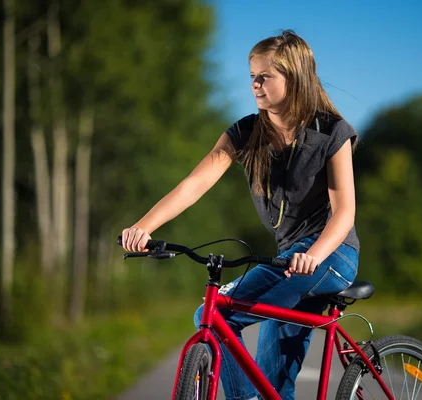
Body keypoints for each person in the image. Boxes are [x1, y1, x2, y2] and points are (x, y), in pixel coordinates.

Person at [121, 30, 360, 400]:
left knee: (245, 317)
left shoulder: (331, 131)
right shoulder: (246, 133)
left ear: (294, 78)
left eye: (265, 76)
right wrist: (143, 226)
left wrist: (313, 255)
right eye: (252, 77)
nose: (255, 85)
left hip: (332, 253)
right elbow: (194, 184)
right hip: (289, 261)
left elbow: (344, 211)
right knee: (221, 327)